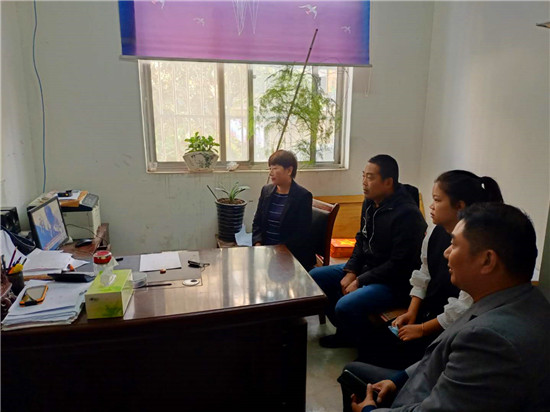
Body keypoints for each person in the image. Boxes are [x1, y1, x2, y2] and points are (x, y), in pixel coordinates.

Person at [345, 203, 550, 412]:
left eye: (454, 244)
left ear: (487, 260)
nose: (446, 253)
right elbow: (439, 361)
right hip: (426, 384)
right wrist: (398, 380)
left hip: (421, 398)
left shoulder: (490, 341)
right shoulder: (524, 299)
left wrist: (368, 411)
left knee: (353, 376)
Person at [357, 170, 504, 369]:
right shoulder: (435, 232)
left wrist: (422, 329)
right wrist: (411, 312)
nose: (431, 206)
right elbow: (423, 273)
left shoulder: (476, 248)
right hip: (428, 314)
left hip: (447, 328)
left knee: (382, 360)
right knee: (370, 345)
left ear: (460, 206)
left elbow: (462, 308)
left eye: (437, 200)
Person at [311, 154, 427, 348]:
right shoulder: (370, 201)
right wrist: (351, 270)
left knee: (345, 305)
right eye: (363, 176)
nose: (364, 182)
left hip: (394, 282)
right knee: (316, 277)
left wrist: (359, 281)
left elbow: (399, 264)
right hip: (368, 269)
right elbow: (361, 238)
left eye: (370, 177)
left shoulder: (408, 215)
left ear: (388, 182)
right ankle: (346, 332)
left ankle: (369, 345)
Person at [252, 150, 315, 270]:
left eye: (275, 168)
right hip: (266, 252)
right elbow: (257, 222)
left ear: (289, 170)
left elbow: (301, 233)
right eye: (270, 168)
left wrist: (279, 251)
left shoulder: (303, 196)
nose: (271, 173)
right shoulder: (266, 191)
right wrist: (258, 244)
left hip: (290, 255)